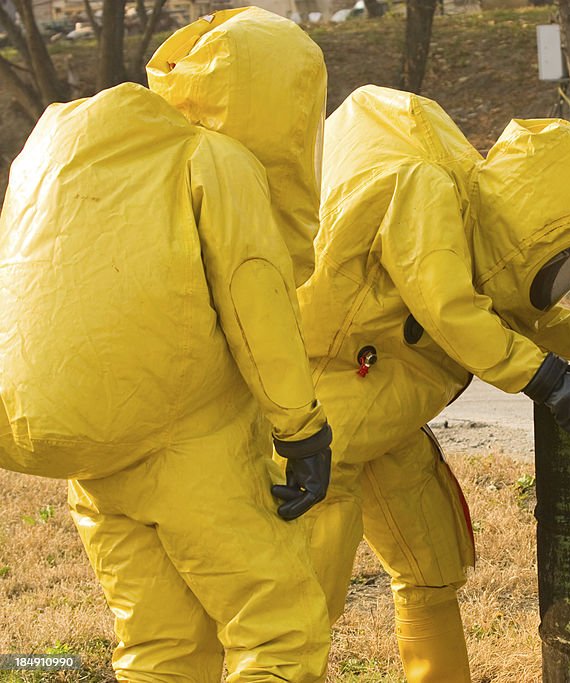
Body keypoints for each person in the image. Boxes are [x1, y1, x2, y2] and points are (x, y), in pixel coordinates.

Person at [297, 84, 570, 682]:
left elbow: (498, 297)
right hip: (326, 429)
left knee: (431, 567)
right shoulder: (423, 188)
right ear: (543, 214)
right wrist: (545, 379)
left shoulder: (472, 212)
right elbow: (449, 308)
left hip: (387, 415)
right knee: (299, 604)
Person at [0, 8, 333, 681]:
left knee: (159, 646)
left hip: (87, 452)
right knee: (280, 632)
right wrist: (302, 430)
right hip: (188, 446)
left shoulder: (73, 148)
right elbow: (254, 304)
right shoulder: (214, 161)